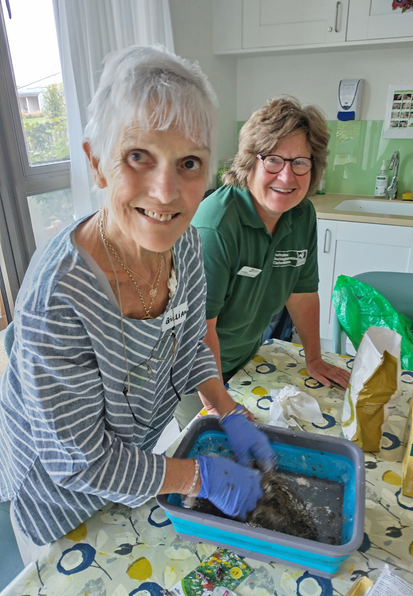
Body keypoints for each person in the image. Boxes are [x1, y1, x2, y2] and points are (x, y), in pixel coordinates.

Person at [0, 46, 274, 564]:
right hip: (61, 502)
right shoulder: (58, 296)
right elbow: (79, 464)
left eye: (188, 163)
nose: (166, 191)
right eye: (137, 156)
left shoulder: (185, 244)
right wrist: (200, 476)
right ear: (96, 163)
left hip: (138, 467)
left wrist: (229, 410)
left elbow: (188, 343)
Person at [175, 96, 350, 428]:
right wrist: (220, 406)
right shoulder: (216, 227)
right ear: (248, 163)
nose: (287, 177)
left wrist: (313, 357)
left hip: (245, 357)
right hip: (192, 372)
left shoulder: (301, 215)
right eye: (273, 160)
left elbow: (301, 294)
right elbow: (198, 331)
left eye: (300, 162)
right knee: (210, 457)